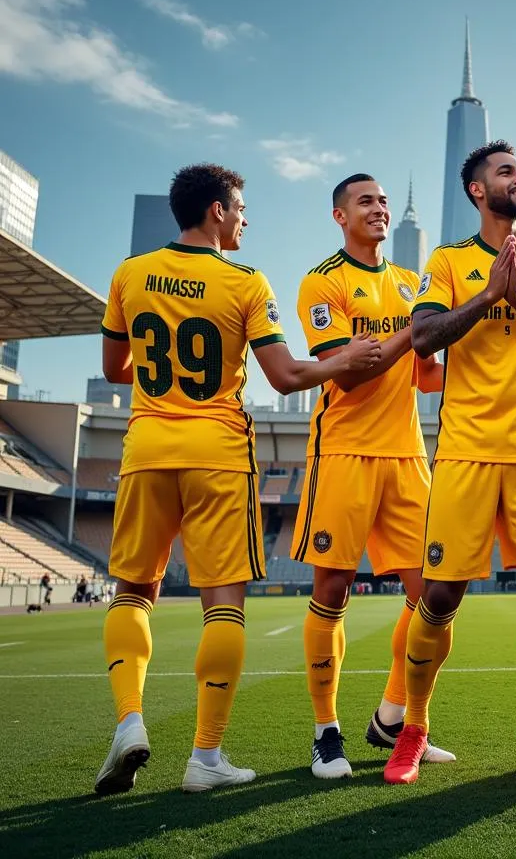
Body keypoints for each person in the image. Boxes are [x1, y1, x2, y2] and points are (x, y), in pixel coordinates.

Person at [96, 163, 382, 796]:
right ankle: (205, 757)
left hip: (146, 446)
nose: (247, 219)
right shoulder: (245, 279)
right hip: (219, 453)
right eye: (242, 209)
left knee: (132, 592)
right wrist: (345, 361)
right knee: (223, 604)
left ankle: (130, 719)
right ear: (218, 211)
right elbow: (284, 377)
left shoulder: (129, 273)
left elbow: (116, 367)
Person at [383, 140, 516, 786]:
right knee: (442, 594)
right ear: (478, 190)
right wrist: (485, 298)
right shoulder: (447, 261)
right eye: (506, 171)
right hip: (467, 451)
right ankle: (412, 729)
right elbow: (423, 337)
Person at [291, 173, 454, 778]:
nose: (379, 209)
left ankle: (394, 718)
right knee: (331, 592)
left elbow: (425, 374)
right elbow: (349, 371)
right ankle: (324, 731)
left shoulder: (411, 283)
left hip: (409, 456)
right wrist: (419, 328)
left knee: (433, 597)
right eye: (366, 201)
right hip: (344, 453)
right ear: (340, 216)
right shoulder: (322, 281)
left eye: (384, 201)